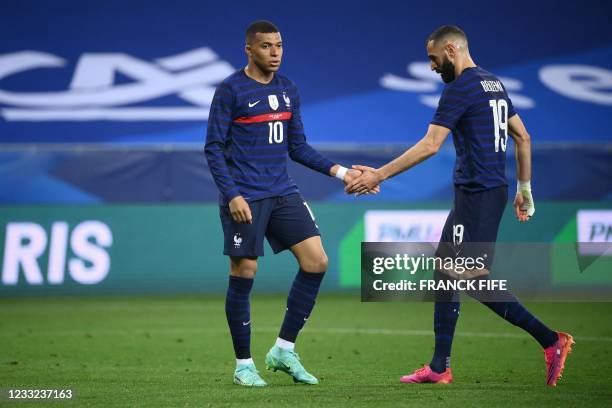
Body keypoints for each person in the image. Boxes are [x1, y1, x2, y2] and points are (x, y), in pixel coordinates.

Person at [346, 25, 573, 386]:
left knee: (469, 277)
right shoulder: (493, 83)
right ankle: (439, 367)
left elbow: (430, 144)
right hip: (482, 191)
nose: (432, 68)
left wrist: (379, 175)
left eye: (434, 60)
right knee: (444, 270)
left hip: (479, 194)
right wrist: (525, 189)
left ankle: (551, 340)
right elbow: (523, 136)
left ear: (451, 50)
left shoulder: (461, 87)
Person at [205, 20, 369, 387]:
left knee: (317, 261)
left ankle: (283, 349)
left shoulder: (288, 89)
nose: (275, 52)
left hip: (282, 192)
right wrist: (232, 194)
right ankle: (243, 365)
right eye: (266, 46)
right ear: (249, 49)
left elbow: (297, 147)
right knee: (244, 272)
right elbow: (213, 147)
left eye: (279, 45)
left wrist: (343, 173)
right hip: (244, 196)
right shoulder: (231, 90)